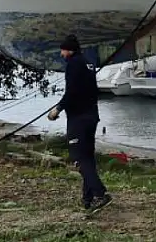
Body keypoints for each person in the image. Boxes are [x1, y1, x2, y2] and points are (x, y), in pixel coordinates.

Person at [47, 35, 112, 211]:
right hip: (92, 116)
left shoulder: (73, 64)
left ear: (69, 50)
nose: (61, 54)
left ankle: (100, 193)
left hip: (78, 118)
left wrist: (57, 109)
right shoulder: (88, 63)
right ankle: (88, 199)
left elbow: (72, 92)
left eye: (63, 50)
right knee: (88, 158)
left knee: (79, 159)